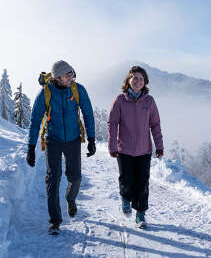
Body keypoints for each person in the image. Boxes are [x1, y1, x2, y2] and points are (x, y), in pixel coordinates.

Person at [26, 60, 96, 235]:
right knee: (53, 178)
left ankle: (70, 199)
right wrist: (31, 147)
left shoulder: (78, 89)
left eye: (72, 73)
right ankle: (55, 221)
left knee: (75, 177)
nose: (71, 77)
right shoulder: (45, 93)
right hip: (53, 140)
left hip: (73, 139)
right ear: (57, 78)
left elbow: (88, 113)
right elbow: (35, 122)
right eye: (67, 75)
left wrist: (92, 138)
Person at [108, 65, 163, 228]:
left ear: (145, 82)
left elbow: (155, 125)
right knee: (126, 180)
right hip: (124, 149)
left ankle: (140, 214)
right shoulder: (120, 100)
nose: (138, 81)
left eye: (141, 78)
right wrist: (112, 146)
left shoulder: (149, 101)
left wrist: (159, 146)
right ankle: (125, 198)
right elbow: (112, 123)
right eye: (135, 78)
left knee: (142, 184)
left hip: (144, 150)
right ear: (128, 80)